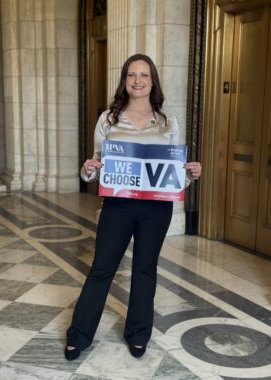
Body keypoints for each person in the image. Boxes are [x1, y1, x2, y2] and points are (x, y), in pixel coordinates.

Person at [65, 54, 202, 361]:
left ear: (152, 81)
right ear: (125, 81)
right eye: (131, 75)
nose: (137, 80)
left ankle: (138, 333)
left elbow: (172, 174)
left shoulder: (168, 123)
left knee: (145, 269)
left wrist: (190, 174)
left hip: (156, 209)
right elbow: (97, 167)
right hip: (117, 205)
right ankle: (79, 334)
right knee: (102, 269)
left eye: (144, 75)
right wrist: (88, 169)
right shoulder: (108, 119)